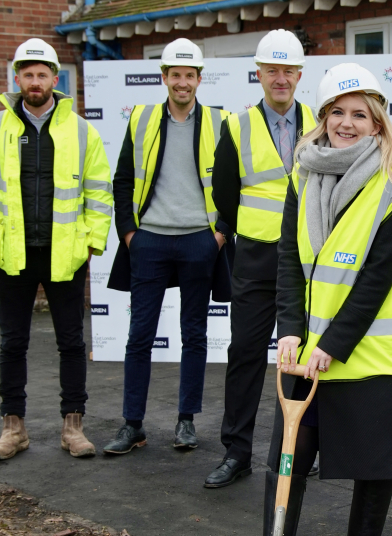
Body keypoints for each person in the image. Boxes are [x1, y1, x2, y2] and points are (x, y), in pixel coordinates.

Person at [268, 62, 392, 536]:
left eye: (360, 114)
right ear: (322, 118)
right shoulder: (302, 177)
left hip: (370, 360)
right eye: (336, 112)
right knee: (285, 471)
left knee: (374, 477)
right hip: (305, 360)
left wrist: (332, 344)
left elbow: (376, 278)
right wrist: (291, 328)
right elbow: (288, 261)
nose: (346, 123)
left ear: (378, 123)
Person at [0, 38, 112, 460]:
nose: (34, 81)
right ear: (17, 78)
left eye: (41, 74)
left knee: (70, 340)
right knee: (13, 341)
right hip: (9, 252)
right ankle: (13, 428)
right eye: (27, 74)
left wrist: (91, 241)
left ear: (54, 78)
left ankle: (73, 426)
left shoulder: (81, 131)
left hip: (64, 252)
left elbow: (98, 191)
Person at [104, 38, 230, 454]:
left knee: (193, 334)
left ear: (198, 79)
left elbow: (233, 184)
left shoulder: (219, 120)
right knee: (139, 335)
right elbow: (122, 180)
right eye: (174, 75)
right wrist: (129, 233)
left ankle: (186, 421)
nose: (182, 82)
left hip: (199, 240)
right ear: (164, 78)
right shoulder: (141, 119)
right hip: (150, 241)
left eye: (188, 75)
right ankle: (132, 425)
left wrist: (220, 234)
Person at [207, 29, 316, 488]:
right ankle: (237, 452)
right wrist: (256, 230)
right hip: (253, 257)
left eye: (288, 70)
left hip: (308, 259)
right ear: (258, 72)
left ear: (299, 74)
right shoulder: (235, 125)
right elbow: (225, 196)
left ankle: (297, 449)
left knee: (305, 358)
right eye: (272, 69)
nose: (280, 78)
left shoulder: (320, 119)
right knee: (246, 355)